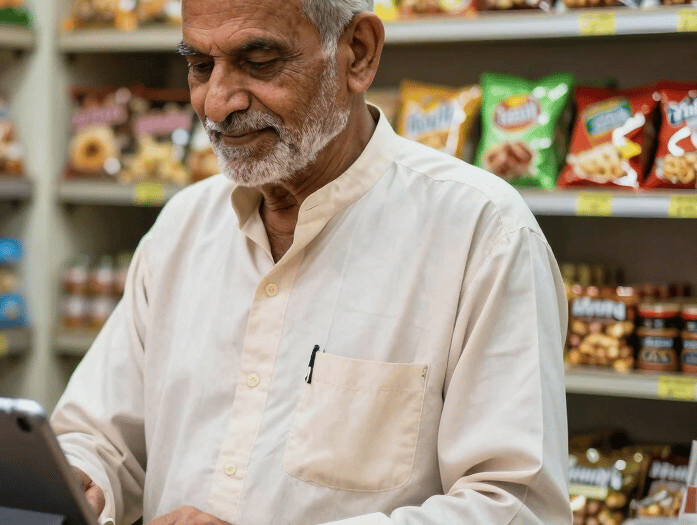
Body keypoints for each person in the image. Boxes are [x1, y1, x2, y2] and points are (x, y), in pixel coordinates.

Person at [51, 0, 572, 523]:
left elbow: (514, 506)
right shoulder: (184, 227)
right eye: (200, 66)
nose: (216, 104)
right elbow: (98, 436)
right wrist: (83, 478)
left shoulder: (482, 233)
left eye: (259, 61)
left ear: (358, 54)